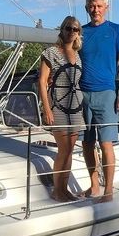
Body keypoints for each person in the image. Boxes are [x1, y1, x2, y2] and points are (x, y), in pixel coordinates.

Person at [79, 0, 119, 202]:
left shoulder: (116, 30)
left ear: (106, 7)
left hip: (107, 93)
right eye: (92, 6)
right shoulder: (80, 32)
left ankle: (108, 190)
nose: (95, 10)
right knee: (87, 144)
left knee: (106, 143)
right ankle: (94, 187)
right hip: (82, 94)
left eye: (99, 6)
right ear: (87, 8)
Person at [38, 16, 86, 202]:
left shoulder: (78, 55)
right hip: (57, 105)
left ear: (78, 34)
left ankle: (64, 190)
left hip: (75, 106)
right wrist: (47, 109)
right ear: (62, 30)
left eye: (75, 29)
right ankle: (57, 191)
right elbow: (42, 82)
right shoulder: (51, 52)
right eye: (68, 28)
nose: (71, 32)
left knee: (70, 150)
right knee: (63, 150)